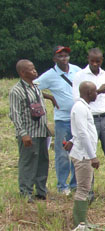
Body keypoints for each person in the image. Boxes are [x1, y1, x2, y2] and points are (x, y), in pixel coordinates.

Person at [72, 48, 105, 201]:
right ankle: (89, 192)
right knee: (89, 156)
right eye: (92, 60)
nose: (94, 63)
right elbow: (77, 99)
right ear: (88, 59)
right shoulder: (79, 76)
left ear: (102, 60)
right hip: (89, 118)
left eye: (98, 61)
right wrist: (98, 91)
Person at [35, 46, 81, 195]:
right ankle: (62, 186)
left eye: (66, 55)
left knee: (77, 151)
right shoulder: (50, 75)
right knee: (62, 153)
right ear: (55, 59)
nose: (64, 58)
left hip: (78, 118)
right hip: (62, 120)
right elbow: (33, 86)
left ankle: (75, 183)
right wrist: (49, 97)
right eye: (60, 56)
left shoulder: (76, 70)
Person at [9, 60, 50, 203]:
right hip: (29, 133)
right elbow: (14, 114)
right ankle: (26, 192)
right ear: (22, 73)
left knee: (42, 162)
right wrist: (23, 133)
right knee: (28, 163)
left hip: (41, 131)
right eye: (31, 69)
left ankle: (41, 191)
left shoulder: (36, 87)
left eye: (34, 68)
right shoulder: (17, 90)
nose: (34, 71)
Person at [68, 81, 100, 226]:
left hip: (83, 153)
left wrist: (70, 140)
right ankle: (79, 224)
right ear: (88, 93)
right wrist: (92, 156)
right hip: (83, 155)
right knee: (83, 189)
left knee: (85, 188)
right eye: (94, 91)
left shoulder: (82, 107)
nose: (97, 93)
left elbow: (78, 130)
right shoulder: (80, 108)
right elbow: (82, 133)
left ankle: (83, 221)